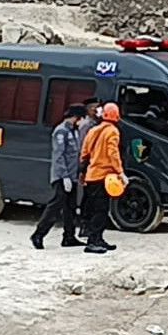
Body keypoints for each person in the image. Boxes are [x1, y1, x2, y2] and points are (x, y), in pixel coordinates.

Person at [31, 105, 85, 249]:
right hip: (62, 177)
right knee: (55, 207)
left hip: (72, 177)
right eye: (81, 118)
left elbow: (75, 155)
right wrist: (65, 176)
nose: (82, 122)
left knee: (70, 208)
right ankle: (38, 234)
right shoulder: (61, 131)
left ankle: (69, 237)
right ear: (75, 117)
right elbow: (59, 156)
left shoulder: (74, 131)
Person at [79, 103, 127, 254]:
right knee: (101, 210)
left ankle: (98, 239)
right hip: (104, 177)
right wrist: (121, 172)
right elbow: (113, 153)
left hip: (92, 175)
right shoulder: (112, 131)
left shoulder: (93, 130)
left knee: (94, 208)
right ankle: (93, 241)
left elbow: (84, 153)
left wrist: (82, 172)